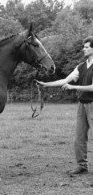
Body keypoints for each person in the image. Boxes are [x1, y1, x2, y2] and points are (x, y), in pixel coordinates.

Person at [36, 36, 93, 179]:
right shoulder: (81, 66)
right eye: (84, 47)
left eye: (87, 47)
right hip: (82, 105)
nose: (84, 49)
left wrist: (73, 86)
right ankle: (82, 166)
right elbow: (65, 80)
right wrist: (45, 84)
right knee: (79, 138)